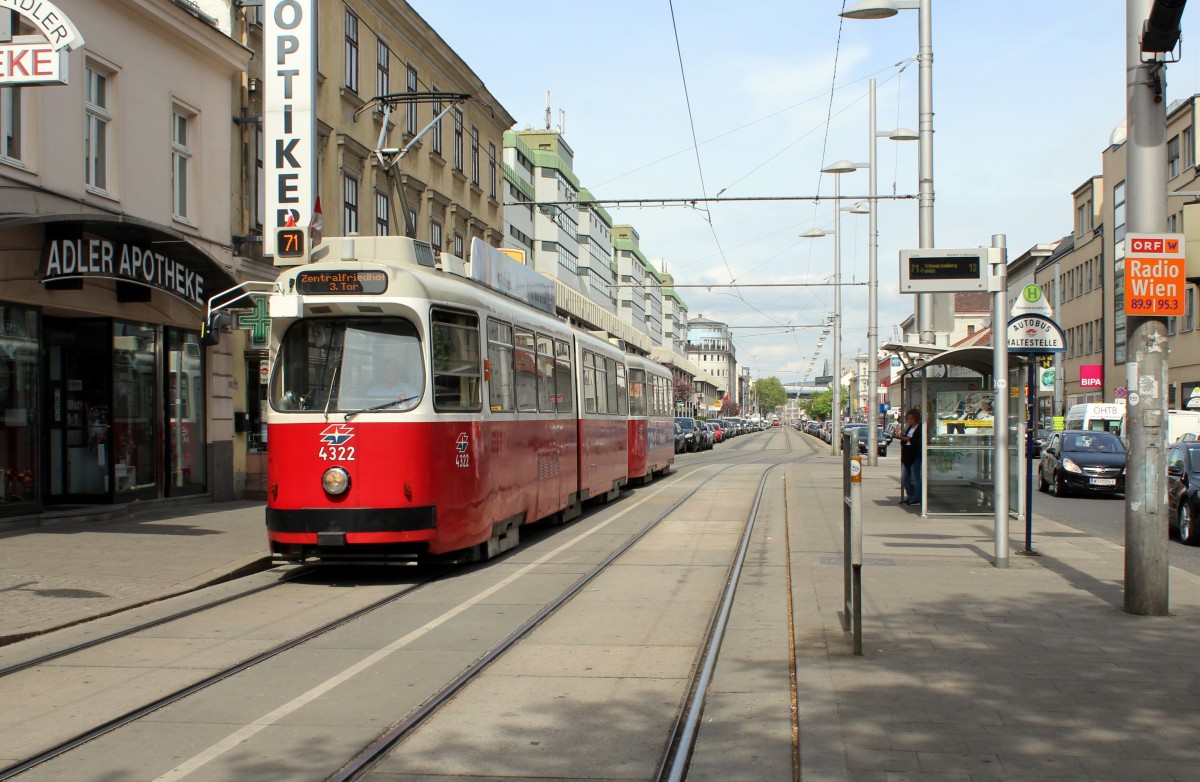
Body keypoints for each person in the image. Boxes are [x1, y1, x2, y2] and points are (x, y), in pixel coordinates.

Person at [896, 408, 923, 506]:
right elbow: (904, 441)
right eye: (908, 418)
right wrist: (903, 438)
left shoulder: (920, 428)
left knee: (916, 477)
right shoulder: (909, 428)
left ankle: (917, 497)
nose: (910, 420)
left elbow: (918, 441)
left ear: (916, 418)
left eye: (911, 418)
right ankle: (911, 496)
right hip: (907, 455)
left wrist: (909, 439)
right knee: (904, 478)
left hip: (915, 455)